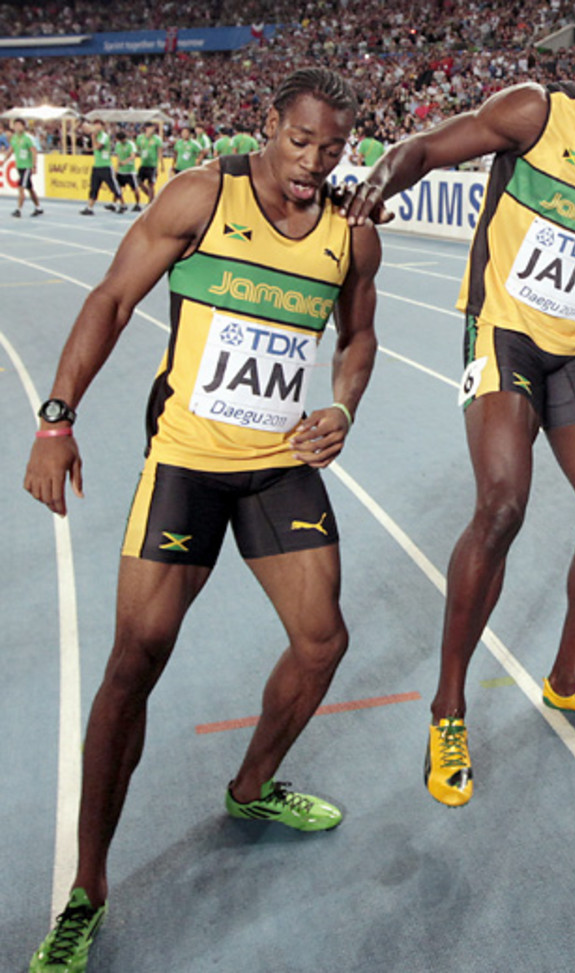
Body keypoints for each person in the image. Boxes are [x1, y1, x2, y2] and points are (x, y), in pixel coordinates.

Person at [24, 67, 380, 971]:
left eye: (333, 149)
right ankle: (87, 887)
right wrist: (56, 418)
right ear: (270, 126)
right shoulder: (203, 197)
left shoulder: (349, 238)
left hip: (276, 468)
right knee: (133, 662)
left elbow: (358, 337)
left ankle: (252, 784)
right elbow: (110, 299)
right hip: (185, 463)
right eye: (300, 142)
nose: (313, 164)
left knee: (322, 640)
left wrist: (342, 404)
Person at [343, 11, 575, 808]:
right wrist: (379, 181)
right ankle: (448, 708)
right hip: (501, 330)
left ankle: (567, 680)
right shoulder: (538, 111)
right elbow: (425, 147)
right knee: (501, 507)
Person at [80, 118, 124, 215]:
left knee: (113, 186)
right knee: (94, 187)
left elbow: (97, 147)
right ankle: (89, 207)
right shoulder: (96, 135)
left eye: (98, 125)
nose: (96, 127)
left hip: (106, 166)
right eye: (95, 125)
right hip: (97, 165)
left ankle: (122, 204)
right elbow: (94, 148)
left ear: (102, 126)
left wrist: (93, 137)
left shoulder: (103, 136)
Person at [3, 117, 44, 217]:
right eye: (15, 125)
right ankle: (38, 207)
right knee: (30, 188)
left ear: (23, 126)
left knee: (21, 187)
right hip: (19, 166)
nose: (17, 127)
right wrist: (4, 160)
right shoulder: (14, 137)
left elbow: (34, 152)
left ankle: (18, 209)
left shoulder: (28, 138)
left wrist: (34, 165)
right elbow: (11, 150)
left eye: (19, 125)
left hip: (27, 166)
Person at [112, 127, 142, 211]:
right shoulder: (118, 145)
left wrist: (125, 162)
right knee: (117, 188)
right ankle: (114, 204)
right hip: (121, 171)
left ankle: (137, 204)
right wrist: (116, 169)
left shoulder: (130, 144)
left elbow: (133, 156)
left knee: (135, 188)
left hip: (130, 171)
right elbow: (117, 156)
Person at [135, 122, 164, 205]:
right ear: (146, 128)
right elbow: (137, 148)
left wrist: (161, 165)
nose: (152, 130)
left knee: (151, 184)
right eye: (150, 128)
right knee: (139, 182)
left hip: (153, 164)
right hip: (143, 163)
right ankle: (152, 197)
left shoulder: (157, 139)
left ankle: (150, 202)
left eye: (153, 128)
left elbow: (159, 152)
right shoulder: (140, 138)